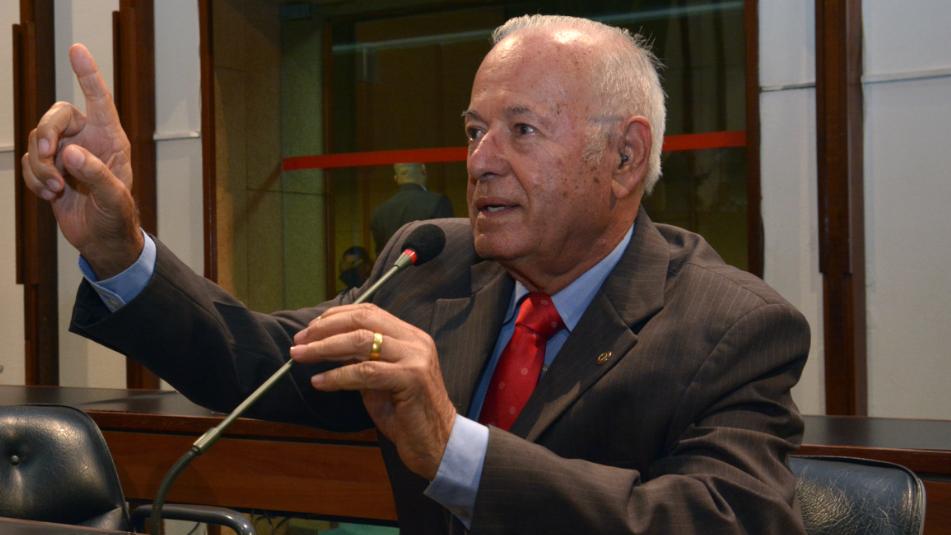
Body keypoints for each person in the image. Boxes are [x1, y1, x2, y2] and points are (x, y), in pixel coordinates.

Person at [22, 15, 809, 534]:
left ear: (626, 155)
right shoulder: (434, 262)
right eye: (473, 130)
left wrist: (453, 449)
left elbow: (723, 522)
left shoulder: (730, 326)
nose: (480, 161)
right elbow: (258, 359)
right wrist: (120, 250)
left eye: (520, 130)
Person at [371, 163, 454, 255]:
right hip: (430, 263)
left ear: (396, 178)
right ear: (424, 171)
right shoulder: (438, 202)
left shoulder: (380, 211)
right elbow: (448, 243)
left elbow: (380, 253)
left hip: (394, 263)